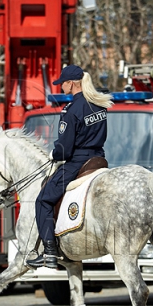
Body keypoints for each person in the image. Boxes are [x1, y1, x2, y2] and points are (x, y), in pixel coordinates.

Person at [27, 65, 113, 268]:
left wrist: (54, 153)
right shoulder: (99, 105)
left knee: (43, 200)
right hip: (99, 158)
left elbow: (64, 149)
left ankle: (49, 252)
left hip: (77, 161)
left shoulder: (71, 109)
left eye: (62, 83)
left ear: (72, 83)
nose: (60, 86)